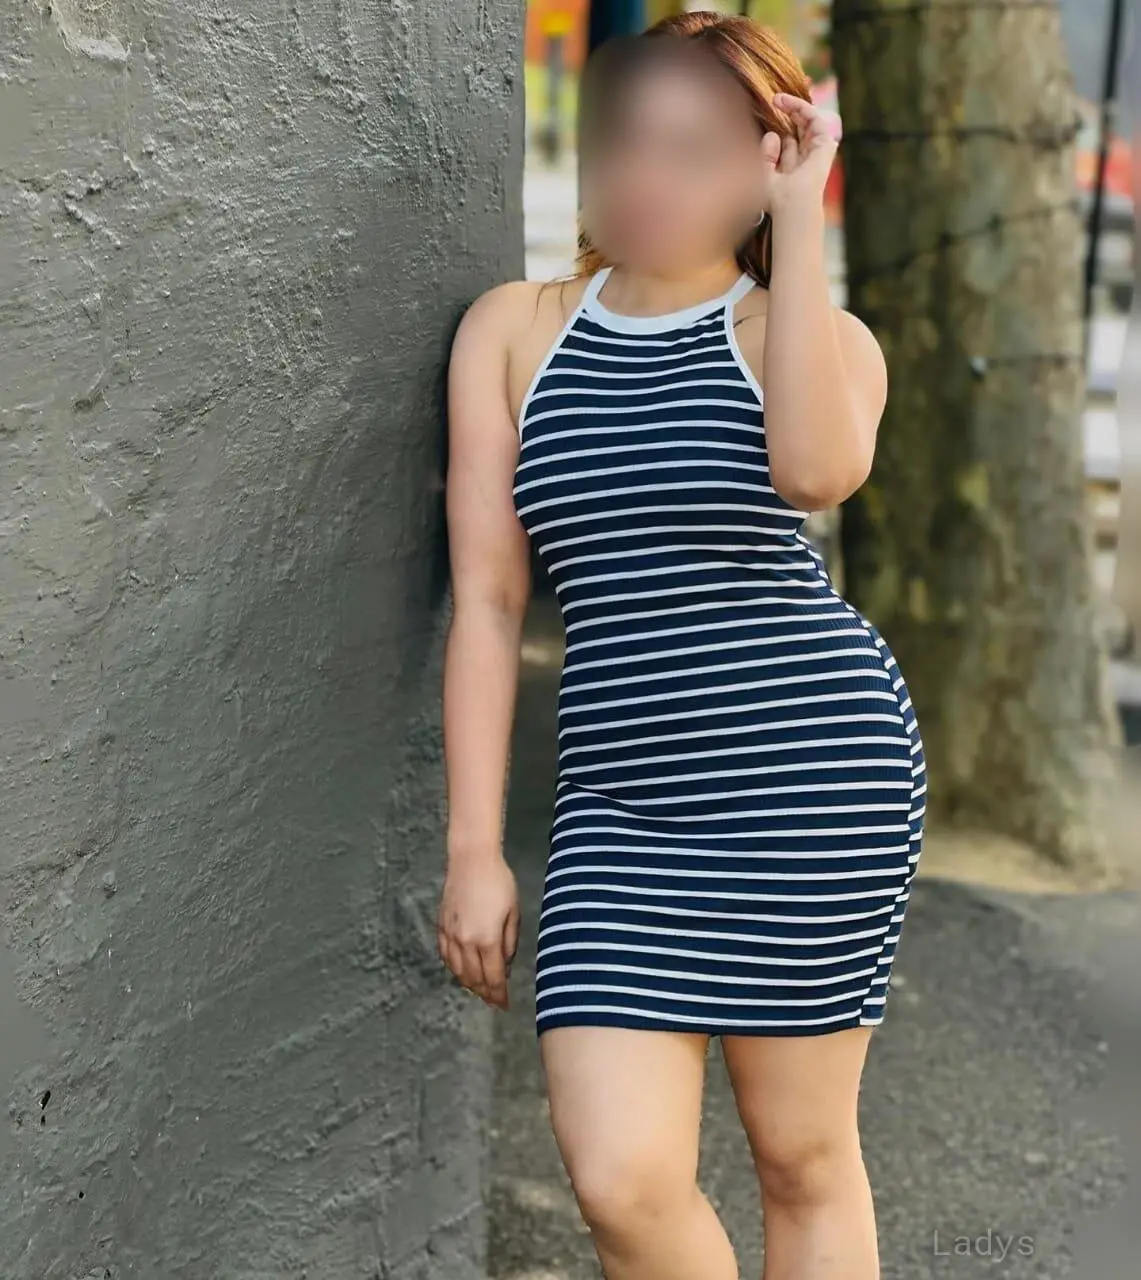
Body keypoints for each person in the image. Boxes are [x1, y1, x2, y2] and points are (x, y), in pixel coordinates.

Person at [437, 11, 925, 1280]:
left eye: (695, 150)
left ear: (766, 168)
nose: (648, 174)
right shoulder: (513, 332)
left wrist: (803, 225)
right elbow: (487, 600)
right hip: (618, 804)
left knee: (800, 1157)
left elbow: (816, 472)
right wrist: (474, 847)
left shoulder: (809, 338)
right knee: (620, 1179)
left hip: (807, 780)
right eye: (630, 140)